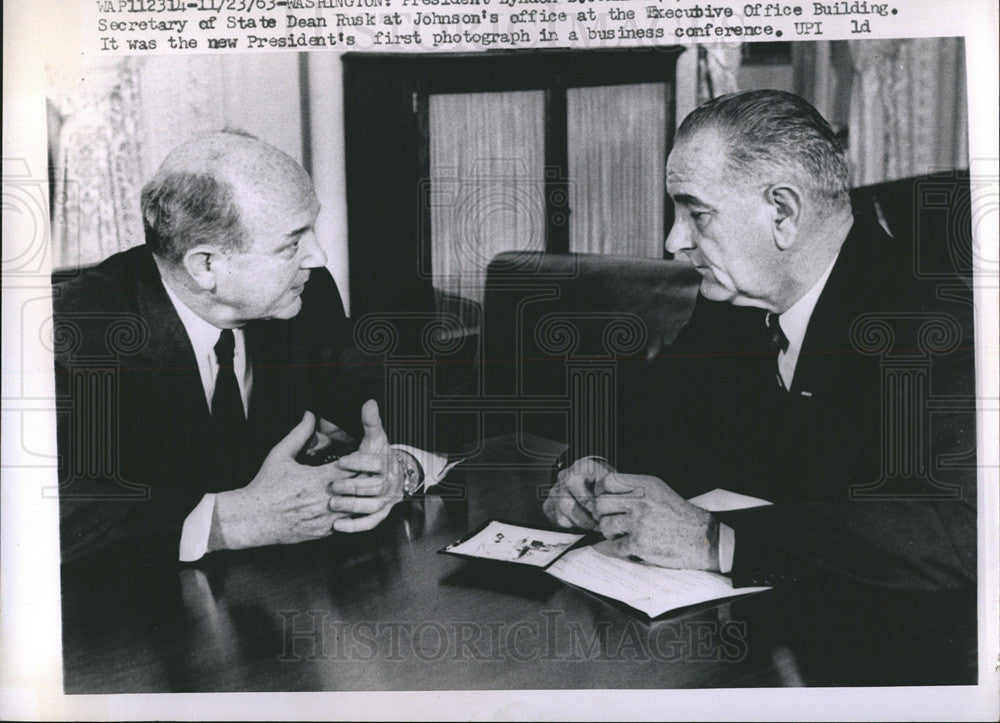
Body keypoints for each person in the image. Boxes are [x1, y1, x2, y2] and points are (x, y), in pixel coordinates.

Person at [543, 90, 976, 591]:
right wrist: (593, 467)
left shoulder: (930, 324)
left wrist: (715, 541)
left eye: (696, 214)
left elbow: (961, 531)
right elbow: (653, 412)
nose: (674, 242)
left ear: (783, 214)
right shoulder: (737, 303)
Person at [54, 132, 446, 566]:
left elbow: (398, 399)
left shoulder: (304, 296)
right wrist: (227, 521)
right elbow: (48, 515)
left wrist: (397, 468)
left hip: (278, 593)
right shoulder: (70, 335)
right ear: (206, 265)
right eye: (292, 241)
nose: (318, 256)